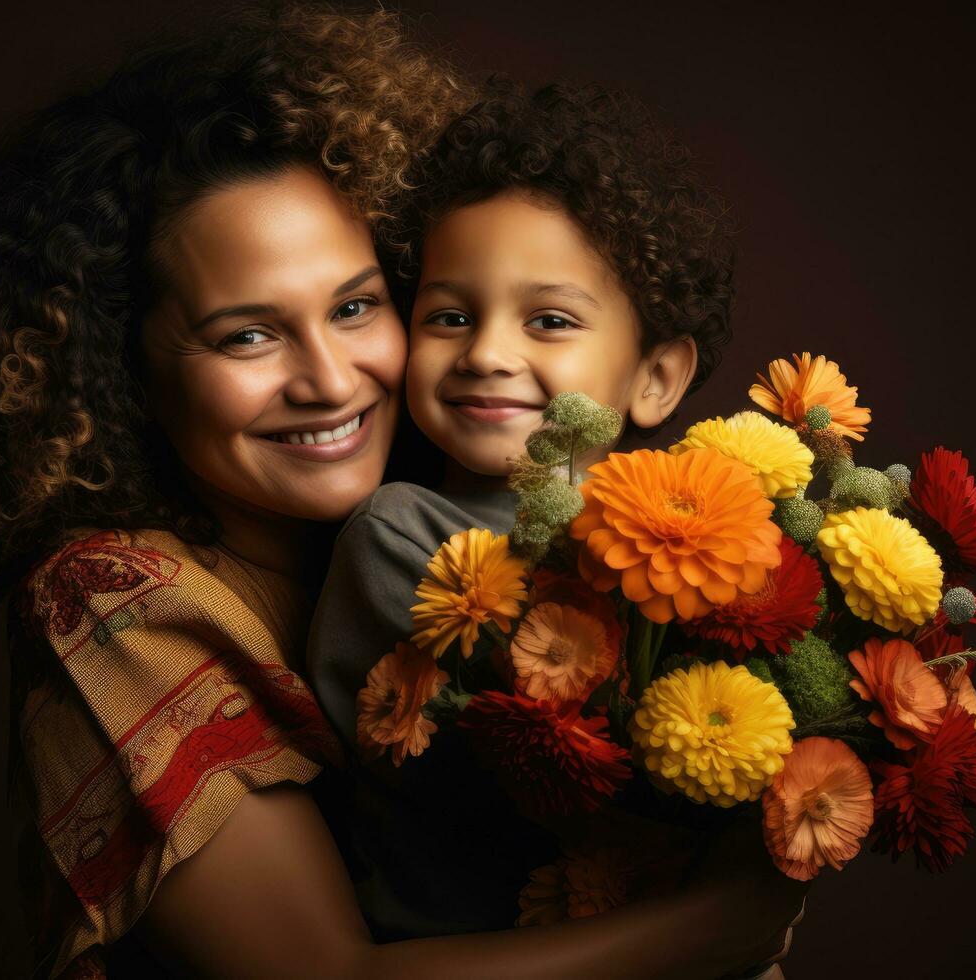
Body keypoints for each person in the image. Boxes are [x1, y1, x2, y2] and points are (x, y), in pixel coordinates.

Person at [0, 6, 802, 978]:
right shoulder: (114, 606)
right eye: (246, 334)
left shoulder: (445, 502)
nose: (330, 378)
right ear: (119, 371)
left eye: (356, 306)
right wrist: (714, 928)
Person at [307, 79, 803, 964]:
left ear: (655, 378)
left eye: (550, 319)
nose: (489, 352)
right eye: (450, 316)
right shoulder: (399, 538)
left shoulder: (701, 538)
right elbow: (595, 757)